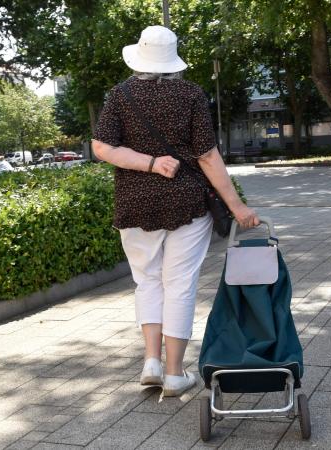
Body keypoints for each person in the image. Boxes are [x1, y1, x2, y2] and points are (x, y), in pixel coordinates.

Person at [91, 25, 259, 397]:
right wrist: (236, 206)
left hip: (135, 202)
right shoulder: (190, 94)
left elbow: (102, 147)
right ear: (173, 61)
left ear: (139, 56)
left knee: (147, 281)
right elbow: (207, 155)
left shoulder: (120, 95)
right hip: (185, 202)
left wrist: (149, 163)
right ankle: (173, 373)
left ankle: (151, 361)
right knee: (179, 285)